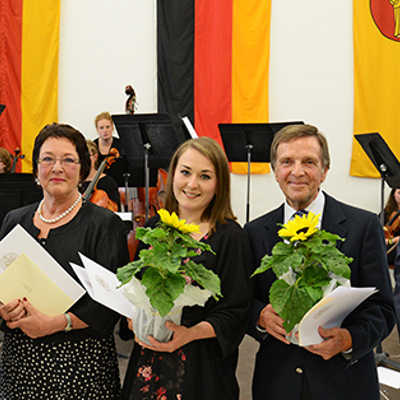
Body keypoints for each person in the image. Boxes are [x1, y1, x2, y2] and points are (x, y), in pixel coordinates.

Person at [245, 124, 395, 400]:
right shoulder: (254, 232)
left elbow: (383, 308)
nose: (298, 172)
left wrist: (350, 339)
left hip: (345, 383)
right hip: (278, 383)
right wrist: (260, 317)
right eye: (287, 162)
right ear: (275, 171)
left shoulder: (363, 226)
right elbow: (243, 301)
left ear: (324, 170)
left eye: (309, 162)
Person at [0, 123, 130, 399]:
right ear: (36, 169)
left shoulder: (104, 224)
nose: (57, 168)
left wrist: (58, 322)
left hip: (81, 367)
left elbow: (111, 305)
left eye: (68, 160)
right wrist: (4, 310)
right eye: (47, 159)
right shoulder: (14, 220)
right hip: (19, 363)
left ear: (83, 170)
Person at [121, 137, 251, 400]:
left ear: (218, 185)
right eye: (185, 172)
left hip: (200, 368)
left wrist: (190, 334)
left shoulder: (230, 236)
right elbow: (135, 285)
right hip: (148, 360)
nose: (192, 184)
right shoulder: (156, 225)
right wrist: (132, 318)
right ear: (172, 176)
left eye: (205, 176)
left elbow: (237, 311)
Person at [80, 140, 121, 211]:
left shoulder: (107, 182)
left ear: (95, 156)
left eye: (88, 156)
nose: (84, 159)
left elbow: (115, 213)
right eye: (82, 156)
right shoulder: (75, 183)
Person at [383, 187, 400, 265]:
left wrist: (393, 241)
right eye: (399, 193)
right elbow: (377, 232)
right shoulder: (386, 212)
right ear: (393, 194)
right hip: (389, 246)